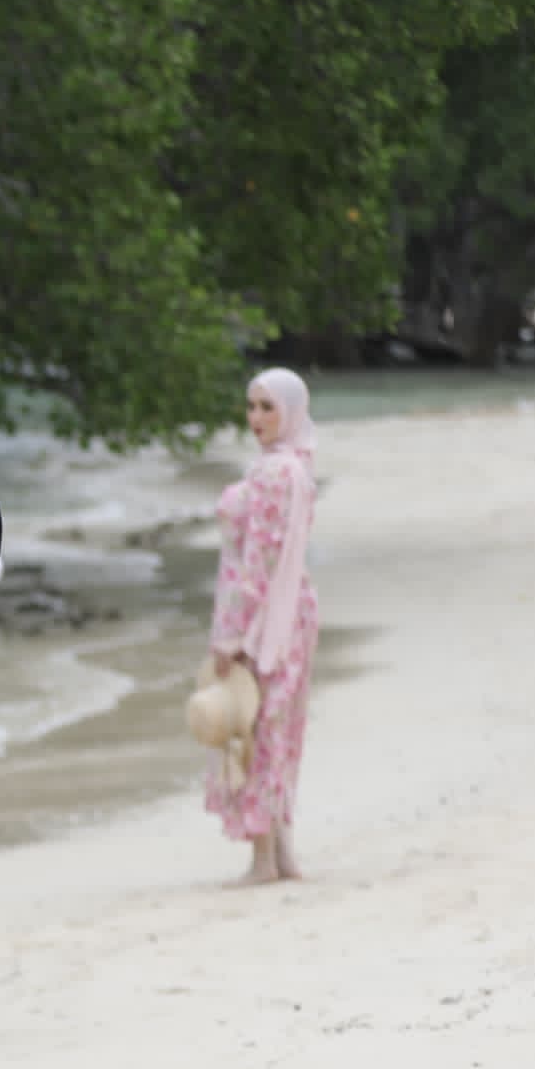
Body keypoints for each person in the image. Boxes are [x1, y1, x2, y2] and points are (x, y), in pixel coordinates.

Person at [205, 367, 321, 885]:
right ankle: (281, 851)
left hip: (267, 619)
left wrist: (234, 637)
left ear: (290, 412)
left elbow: (260, 562)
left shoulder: (276, 472)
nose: (256, 417)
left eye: (267, 407)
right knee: (279, 726)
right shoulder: (295, 465)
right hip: (290, 610)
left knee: (258, 728)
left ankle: (264, 858)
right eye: (251, 406)